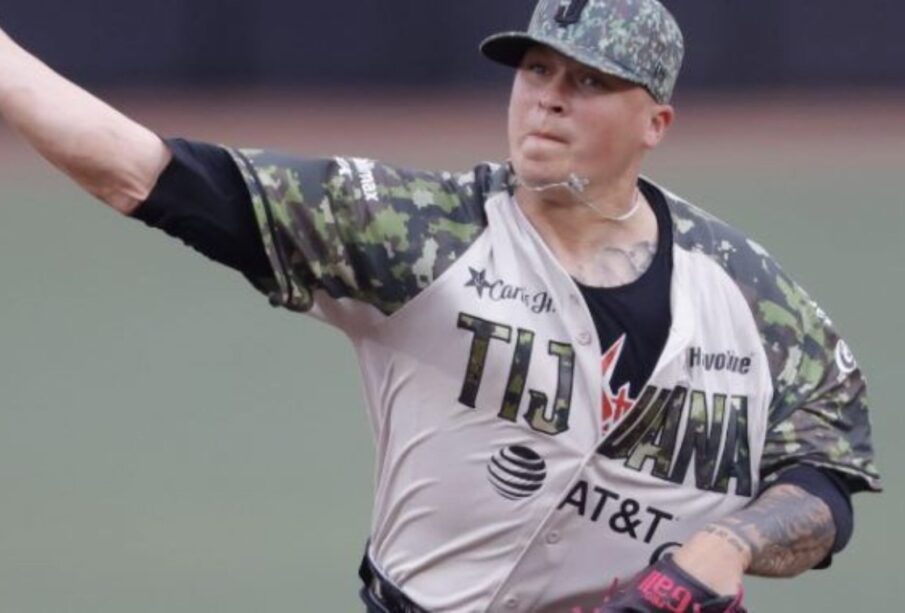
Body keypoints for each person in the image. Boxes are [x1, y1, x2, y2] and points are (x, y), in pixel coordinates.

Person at [0, 0, 881, 611]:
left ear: (655, 123)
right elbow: (141, 171)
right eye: (536, 69)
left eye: (588, 81)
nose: (547, 98)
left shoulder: (750, 294)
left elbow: (824, 481)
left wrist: (730, 543)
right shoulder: (417, 231)